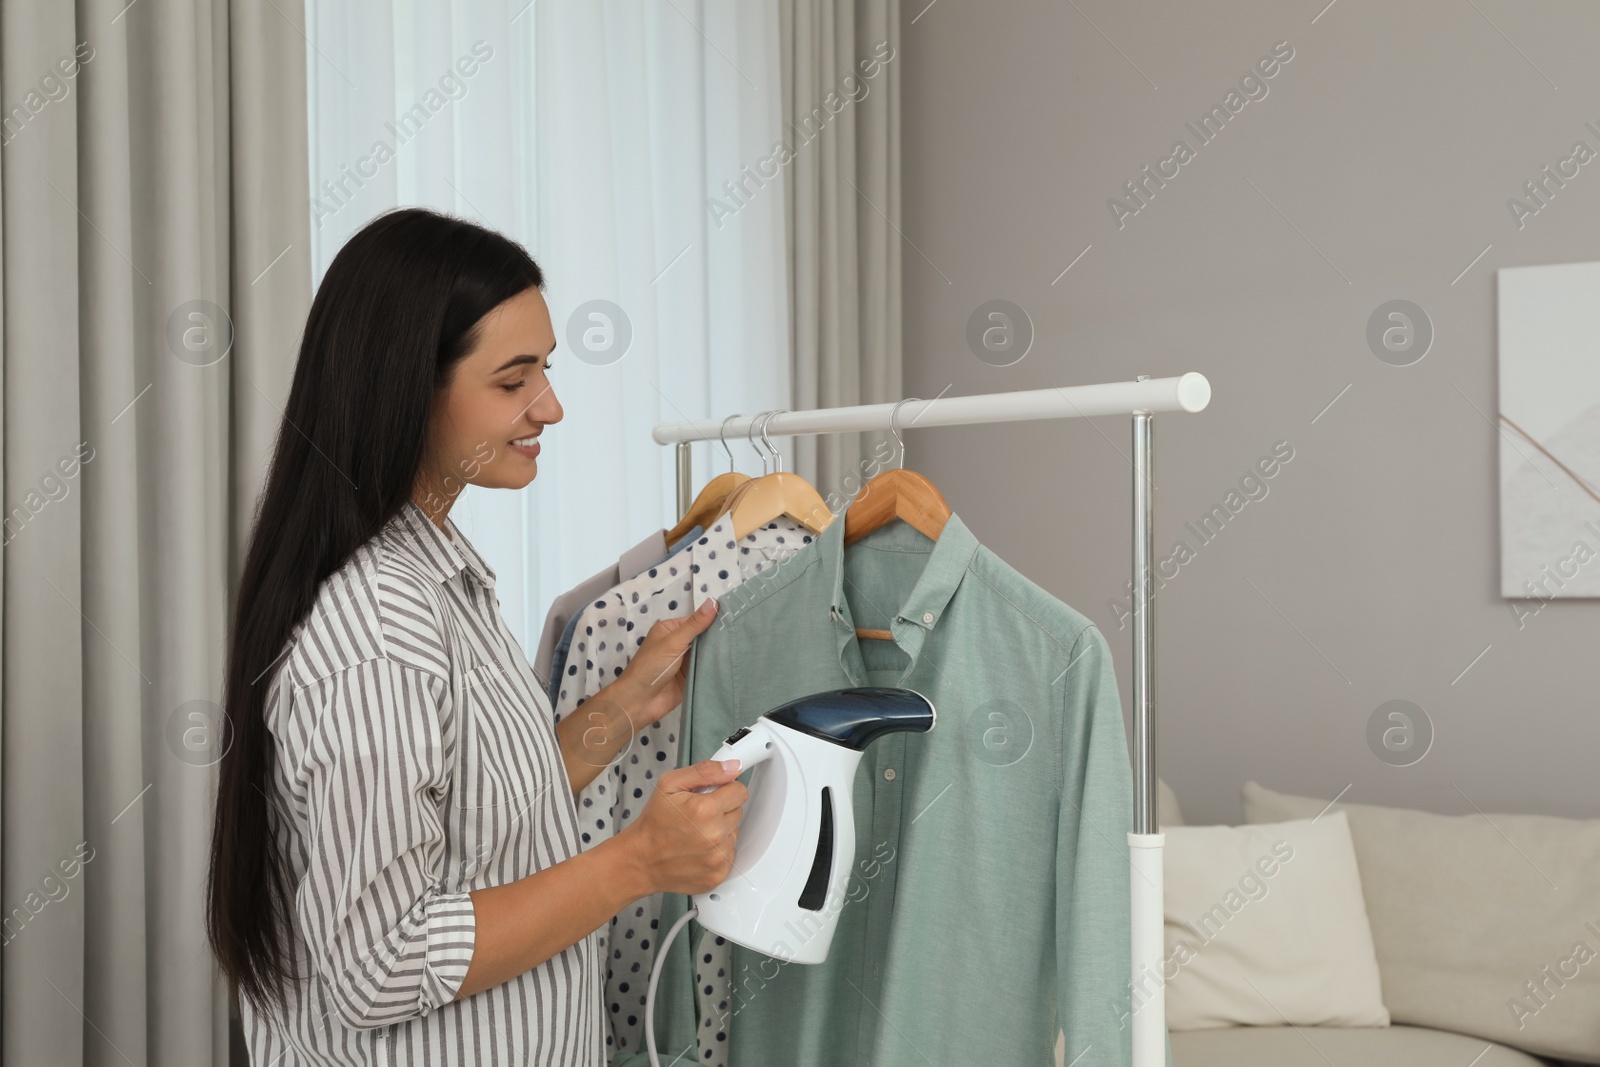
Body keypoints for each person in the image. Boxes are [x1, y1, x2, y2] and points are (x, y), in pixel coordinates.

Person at [205, 206, 746, 1065]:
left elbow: (480, 816)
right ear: (405, 387)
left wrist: (622, 708)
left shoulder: (438, 576)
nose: (552, 406)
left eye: (548, 371)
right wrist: (638, 861)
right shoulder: (380, 630)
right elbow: (380, 964)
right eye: (513, 381)